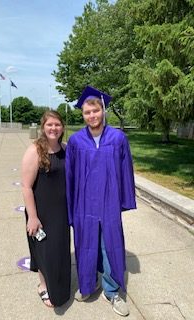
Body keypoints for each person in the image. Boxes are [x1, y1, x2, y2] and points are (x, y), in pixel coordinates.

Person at [65, 86, 136, 317]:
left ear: (103, 110)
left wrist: (124, 201)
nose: (92, 116)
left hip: (109, 202)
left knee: (109, 246)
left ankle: (112, 290)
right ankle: (88, 284)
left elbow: (126, 171)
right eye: (87, 112)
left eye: (95, 111)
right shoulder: (75, 141)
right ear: (83, 115)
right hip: (84, 203)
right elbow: (70, 176)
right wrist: (71, 207)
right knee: (86, 245)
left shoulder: (118, 138)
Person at [21, 110, 71, 308]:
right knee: (43, 251)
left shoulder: (65, 148)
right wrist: (32, 217)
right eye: (50, 124)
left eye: (57, 124)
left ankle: (59, 286)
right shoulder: (35, 150)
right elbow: (26, 186)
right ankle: (43, 285)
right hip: (40, 212)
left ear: (62, 128)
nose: (54, 128)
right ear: (43, 127)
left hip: (61, 212)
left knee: (60, 251)